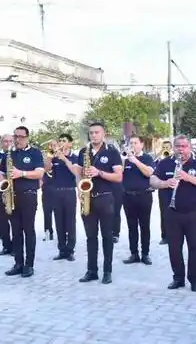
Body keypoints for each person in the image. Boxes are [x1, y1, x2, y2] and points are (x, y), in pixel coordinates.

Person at [150, 135, 196, 292]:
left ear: (189, 147)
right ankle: (178, 278)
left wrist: (188, 177)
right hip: (172, 213)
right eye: (178, 146)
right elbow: (152, 180)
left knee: (195, 247)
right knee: (174, 248)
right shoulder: (165, 163)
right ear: (173, 147)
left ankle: (195, 280)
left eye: (184, 146)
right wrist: (164, 183)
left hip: (194, 213)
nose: (181, 149)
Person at [74, 122, 123, 284]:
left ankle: (107, 271)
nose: (93, 135)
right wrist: (80, 186)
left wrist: (99, 172)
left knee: (107, 236)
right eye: (91, 133)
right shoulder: (84, 151)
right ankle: (92, 271)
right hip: (87, 197)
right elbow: (78, 173)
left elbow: (118, 177)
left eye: (97, 132)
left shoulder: (112, 152)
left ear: (103, 134)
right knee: (90, 237)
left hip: (105, 197)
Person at [0, 126, 44, 278]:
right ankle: (18, 263)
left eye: (21, 137)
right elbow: (1, 173)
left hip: (28, 195)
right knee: (16, 231)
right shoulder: (9, 154)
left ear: (27, 137)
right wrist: (4, 183)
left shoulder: (35, 152)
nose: (17, 139)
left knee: (28, 230)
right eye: (15, 136)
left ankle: (29, 265)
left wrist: (21, 173)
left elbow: (39, 173)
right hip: (12, 196)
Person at [121, 135, 154, 265]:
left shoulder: (147, 158)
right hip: (128, 196)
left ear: (141, 144)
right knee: (132, 226)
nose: (133, 145)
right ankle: (134, 254)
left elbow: (149, 173)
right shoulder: (125, 159)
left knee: (145, 226)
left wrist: (135, 161)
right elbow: (119, 174)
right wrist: (124, 159)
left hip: (144, 196)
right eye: (131, 143)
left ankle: (145, 254)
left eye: (135, 143)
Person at [45, 134, 79, 261]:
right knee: (58, 222)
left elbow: (76, 172)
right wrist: (50, 155)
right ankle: (62, 249)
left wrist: (64, 159)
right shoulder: (54, 157)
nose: (61, 143)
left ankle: (70, 250)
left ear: (70, 143)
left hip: (69, 192)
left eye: (64, 141)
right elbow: (46, 168)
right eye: (59, 140)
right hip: (56, 192)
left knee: (70, 222)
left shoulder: (74, 157)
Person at [157, 140, 173, 245]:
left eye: (167, 147)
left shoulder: (175, 160)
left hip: (174, 190)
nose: (166, 149)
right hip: (163, 190)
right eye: (164, 147)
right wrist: (160, 155)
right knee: (164, 213)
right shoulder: (160, 160)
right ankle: (165, 236)